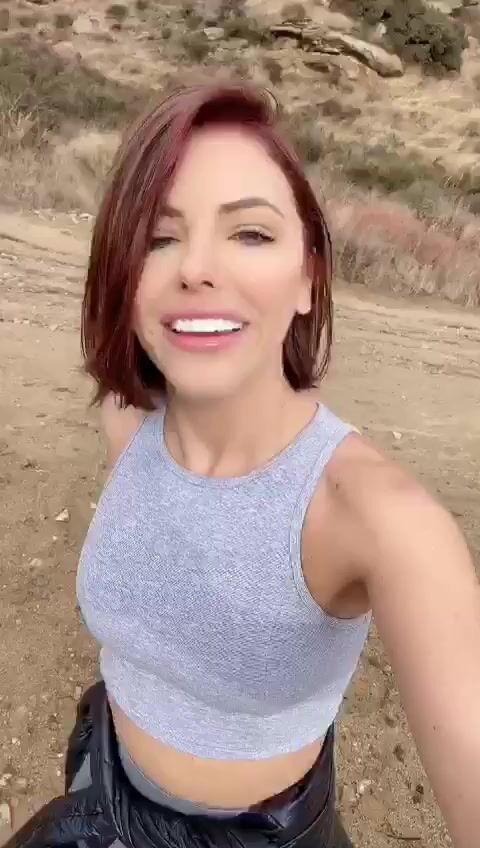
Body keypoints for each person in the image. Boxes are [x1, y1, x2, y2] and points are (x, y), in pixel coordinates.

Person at [9, 82, 480, 848]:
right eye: (158, 239)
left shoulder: (378, 517)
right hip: (101, 779)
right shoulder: (128, 421)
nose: (195, 268)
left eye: (251, 233)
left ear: (309, 278)